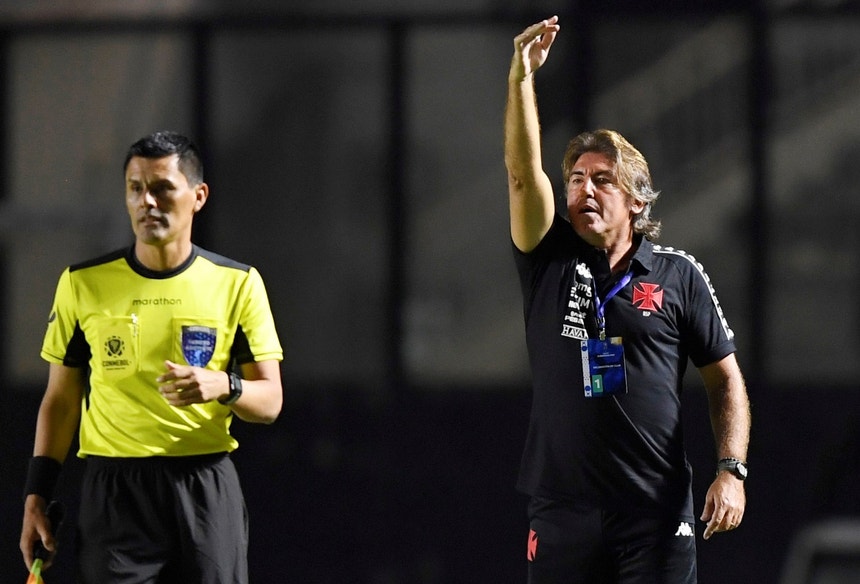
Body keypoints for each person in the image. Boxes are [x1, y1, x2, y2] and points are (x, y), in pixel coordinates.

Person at [505, 16, 751, 583]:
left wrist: (731, 470)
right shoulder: (548, 257)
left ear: (638, 201)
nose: (584, 189)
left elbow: (726, 381)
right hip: (562, 510)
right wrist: (521, 80)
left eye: (602, 179)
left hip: (654, 513)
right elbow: (521, 175)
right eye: (575, 179)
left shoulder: (678, 275)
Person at [19, 131, 284, 583]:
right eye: (136, 188)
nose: (147, 201)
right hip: (115, 495)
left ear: (198, 196)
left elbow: (270, 402)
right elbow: (60, 401)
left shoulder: (238, 283)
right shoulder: (82, 284)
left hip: (203, 488)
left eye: (162, 188)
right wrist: (36, 497)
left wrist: (224, 385)